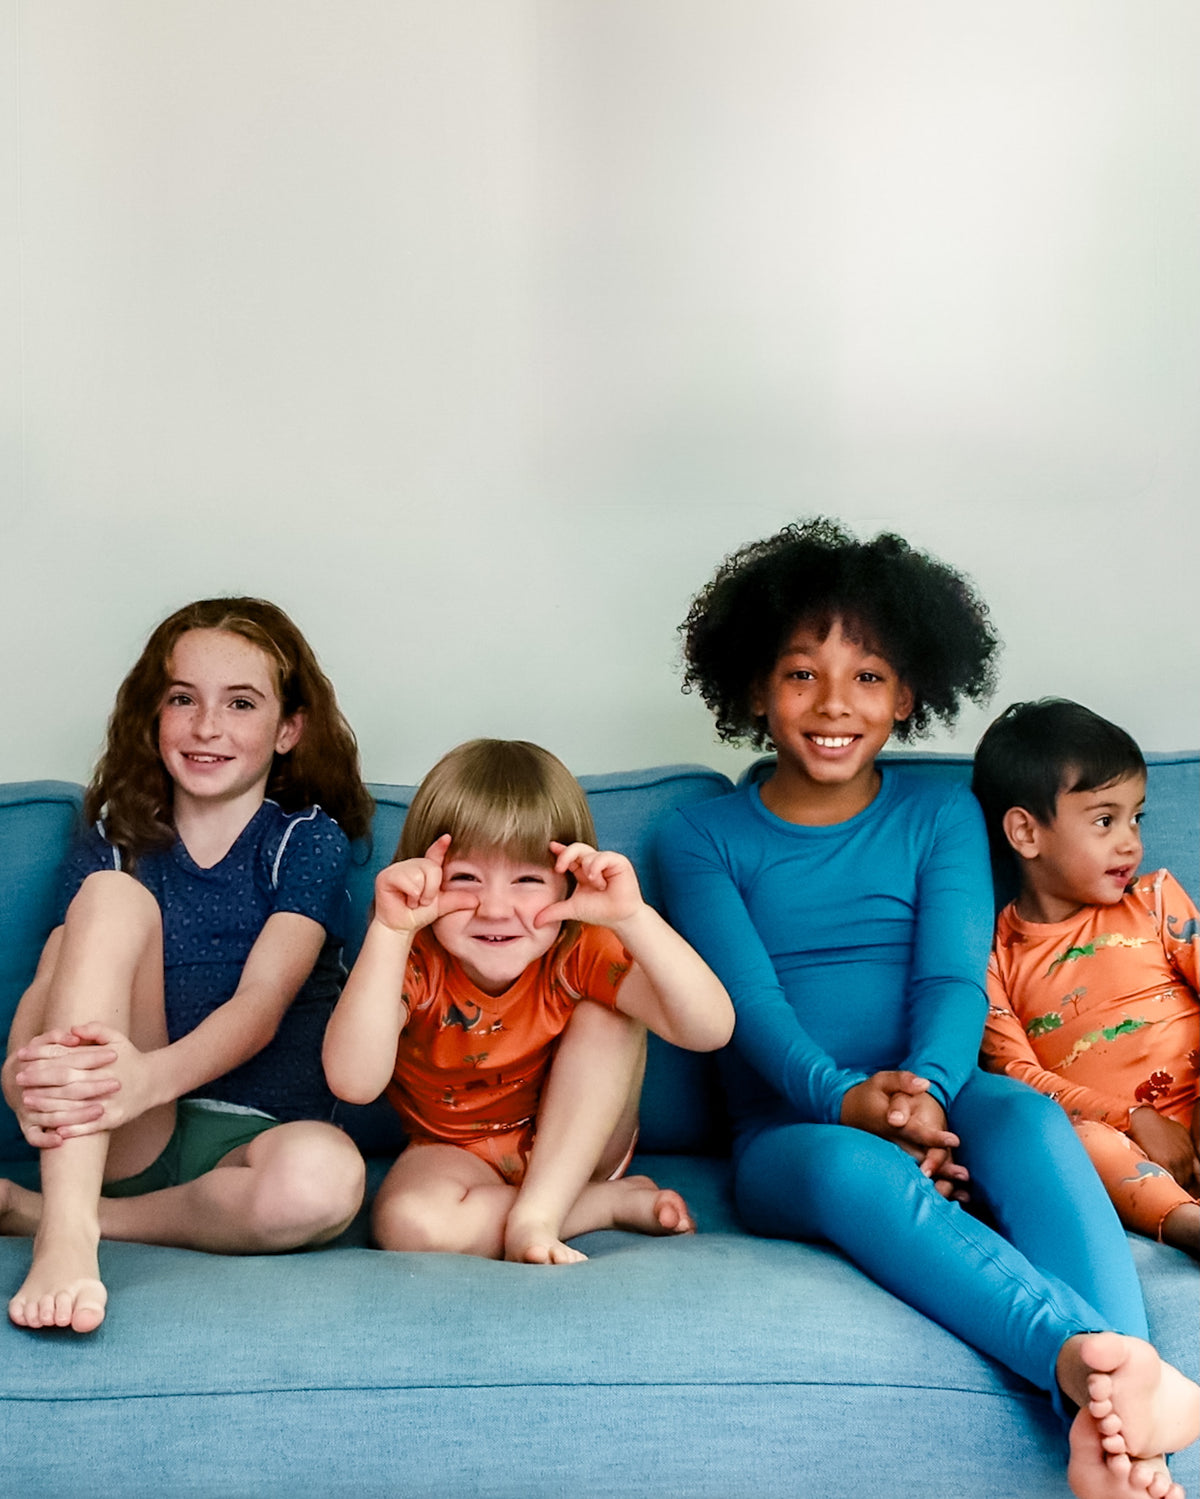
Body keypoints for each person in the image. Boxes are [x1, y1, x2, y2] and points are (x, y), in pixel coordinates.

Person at [656, 517, 1199, 1499]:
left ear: (907, 695)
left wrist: (931, 1093)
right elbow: (749, 1004)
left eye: (867, 675)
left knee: (1030, 1118)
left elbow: (950, 979)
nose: (835, 702)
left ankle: (1122, 1425)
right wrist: (849, 1101)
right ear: (754, 689)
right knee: (851, 1168)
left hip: (946, 1092)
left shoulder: (940, 812)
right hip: (793, 1128)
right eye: (801, 673)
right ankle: (1094, 1369)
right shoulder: (697, 835)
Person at [1, 597, 375, 1334]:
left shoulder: (305, 840)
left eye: (241, 703)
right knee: (111, 897)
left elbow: (261, 1003)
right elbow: (53, 976)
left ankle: (59, 1214)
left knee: (327, 1180)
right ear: (153, 716)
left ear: (289, 729)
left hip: (255, 1141)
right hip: (122, 1129)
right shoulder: (112, 841)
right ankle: (66, 1233)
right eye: (183, 699)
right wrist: (21, 1074)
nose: (207, 727)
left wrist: (148, 1077)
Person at [323, 738, 734, 1266]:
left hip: (582, 1149)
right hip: (455, 1151)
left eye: (527, 880)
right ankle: (598, 1207)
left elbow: (710, 1029)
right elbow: (353, 1083)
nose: (495, 909)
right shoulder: (413, 957)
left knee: (608, 1008)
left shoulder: (581, 948)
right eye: (466, 878)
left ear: (568, 885)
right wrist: (389, 931)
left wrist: (633, 918)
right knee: (407, 1223)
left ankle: (540, 1214)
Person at [973, 698, 1199, 1259]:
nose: (1130, 842)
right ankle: (1188, 1225)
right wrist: (1135, 1119)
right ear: (1026, 833)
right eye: (1105, 820)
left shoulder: (1154, 900)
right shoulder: (993, 957)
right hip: (1122, 1141)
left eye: (1136, 817)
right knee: (1074, 1143)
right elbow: (1019, 1076)